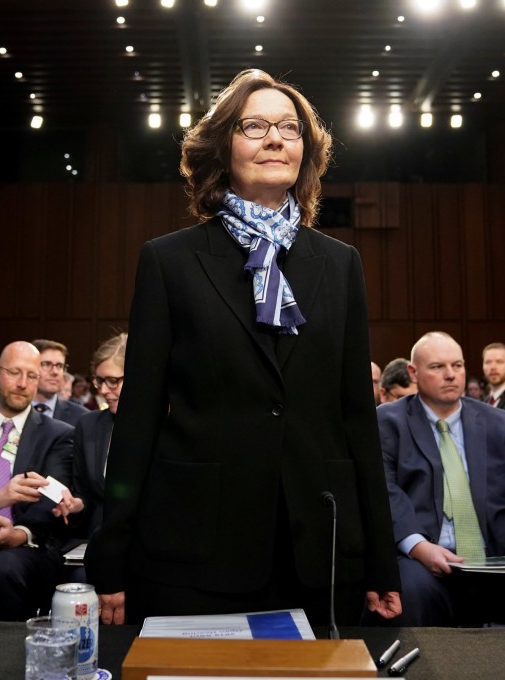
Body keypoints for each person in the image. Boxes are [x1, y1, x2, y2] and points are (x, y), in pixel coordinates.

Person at [85, 68, 401, 627]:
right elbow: (137, 420)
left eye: (290, 127)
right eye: (254, 126)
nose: (276, 138)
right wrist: (111, 555)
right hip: (196, 545)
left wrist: (379, 557)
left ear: (306, 151)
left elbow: (357, 416)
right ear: (220, 147)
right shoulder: (169, 261)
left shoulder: (340, 264)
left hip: (318, 546)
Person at [377, 332, 505, 626]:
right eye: (438, 367)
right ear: (414, 373)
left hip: (500, 553)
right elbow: (384, 491)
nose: (451, 375)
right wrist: (419, 547)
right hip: (426, 554)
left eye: (457, 365)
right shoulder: (388, 423)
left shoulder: (503, 424)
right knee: (412, 589)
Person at [0, 342, 84, 621]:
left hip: (26, 545)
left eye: (32, 376)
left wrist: (20, 533)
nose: (23, 383)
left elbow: (52, 497)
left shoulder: (57, 434)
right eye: (14, 372)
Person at [66, 332, 128, 582]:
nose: (104, 391)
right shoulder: (88, 425)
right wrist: (76, 504)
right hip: (97, 542)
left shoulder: (165, 426)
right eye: (99, 381)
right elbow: (84, 492)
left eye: (113, 381)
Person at [31, 338, 89, 426]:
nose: (55, 372)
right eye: (46, 364)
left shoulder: (82, 417)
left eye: (59, 366)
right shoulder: (8, 411)